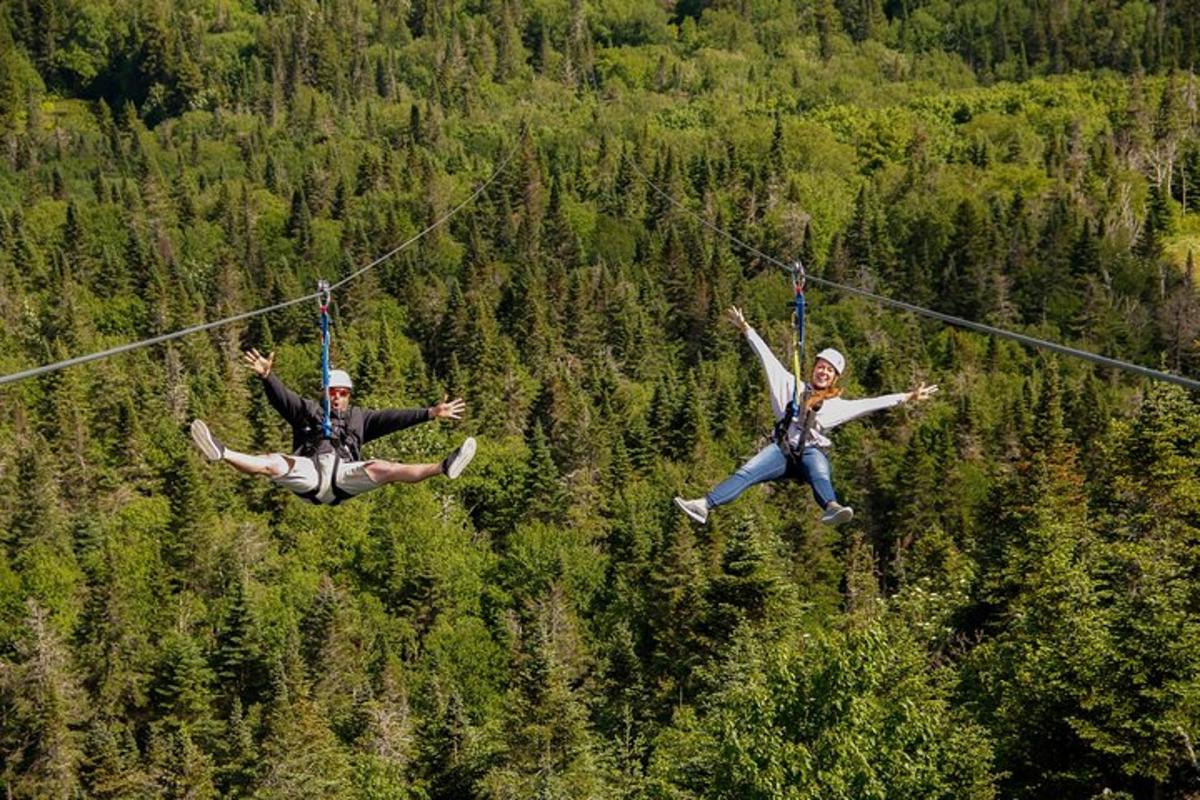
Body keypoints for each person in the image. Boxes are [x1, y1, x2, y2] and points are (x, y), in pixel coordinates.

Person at [674, 306, 937, 526]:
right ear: (813, 369)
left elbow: (871, 404)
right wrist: (746, 328)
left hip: (811, 452)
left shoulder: (836, 405)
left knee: (821, 474)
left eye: (829, 371)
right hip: (782, 451)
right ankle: (704, 505)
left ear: (834, 378)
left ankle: (831, 506)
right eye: (821, 367)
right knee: (747, 473)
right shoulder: (790, 384)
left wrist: (908, 396)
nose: (823, 372)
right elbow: (766, 357)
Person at [190, 348, 476, 505]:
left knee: (385, 468)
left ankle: (443, 467)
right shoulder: (307, 411)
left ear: (349, 394)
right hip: (311, 471)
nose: (337, 396)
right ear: (325, 393)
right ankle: (222, 452)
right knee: (273, 463)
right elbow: (282, 399)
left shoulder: (359, 418)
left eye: (342, 392)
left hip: (343, 476)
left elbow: (394, 418)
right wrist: (268, 377)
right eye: (332, 391)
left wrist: (431, 412)